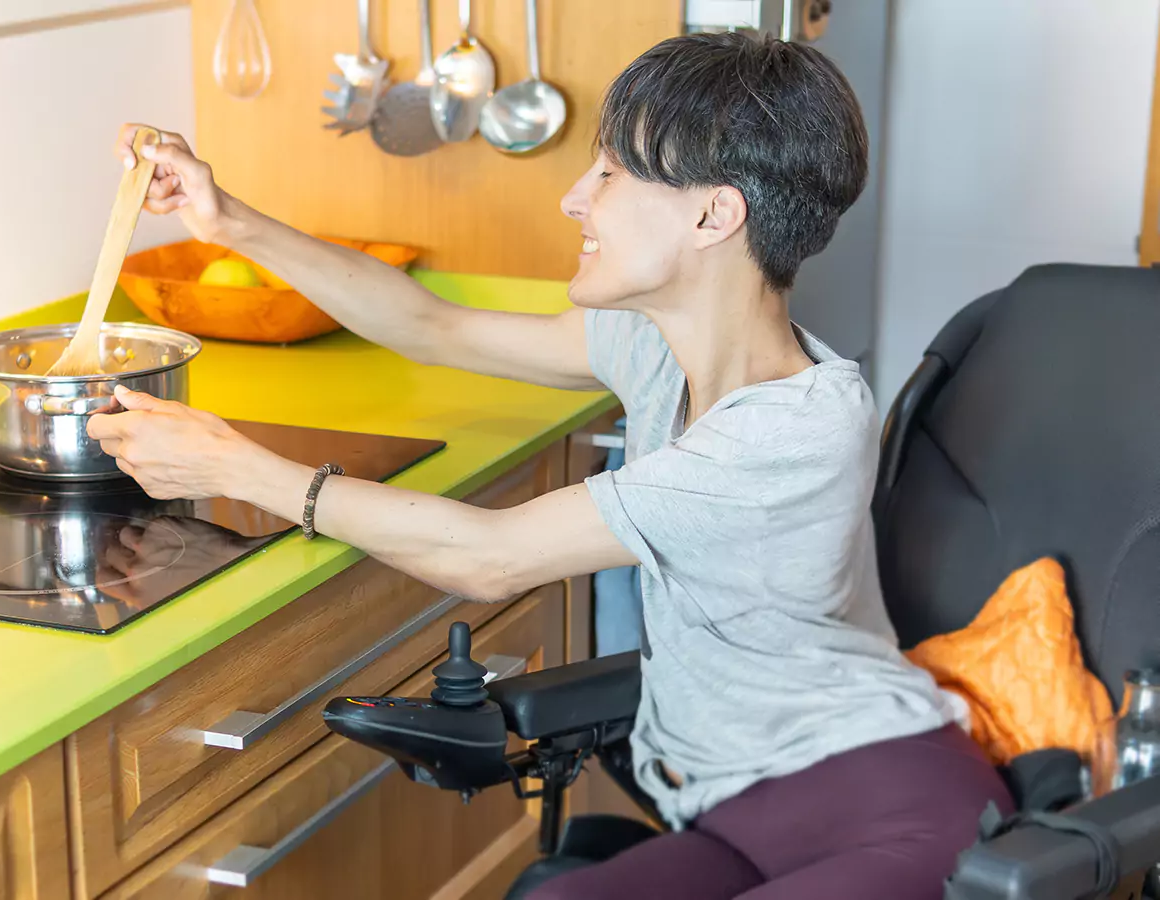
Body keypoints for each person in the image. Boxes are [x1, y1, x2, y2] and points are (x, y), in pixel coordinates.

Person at [86, 31, 1011, 900]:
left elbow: (489, 558)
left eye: (609, 173)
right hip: (728, 807)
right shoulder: (657, 342)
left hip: (887, 805)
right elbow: (430, 324)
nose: (575, 198)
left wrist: (242, 469)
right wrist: (227, 220)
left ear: (713, 214)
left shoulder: (794, 429)